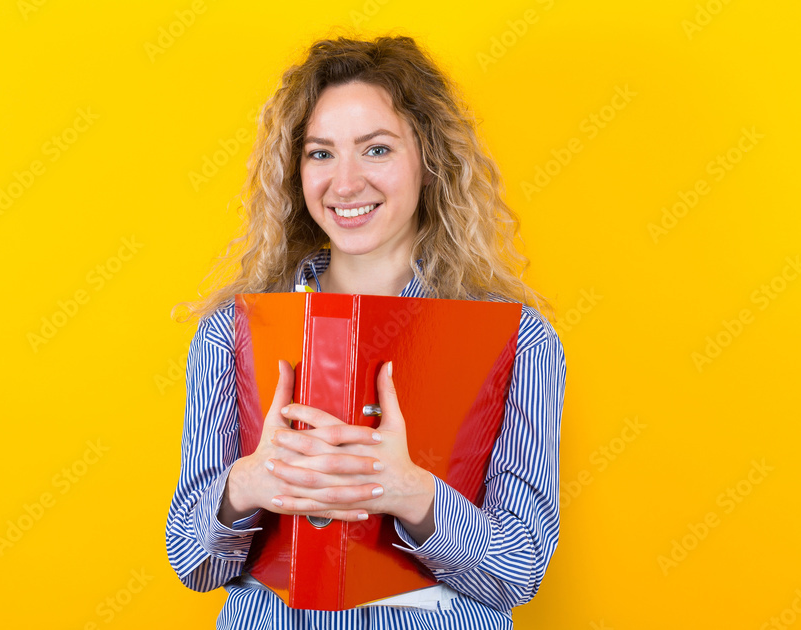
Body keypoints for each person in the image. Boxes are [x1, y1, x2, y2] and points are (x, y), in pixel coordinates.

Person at [166, 33, 566, 629]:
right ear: (294, 170)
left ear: (428, 161)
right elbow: (192, 564)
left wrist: (410, 494)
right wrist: (247, 484)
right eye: (320, 153)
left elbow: (521, 569)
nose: (345, 183)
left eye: (376, 150)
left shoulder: (519, 340)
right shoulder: (234, 332)